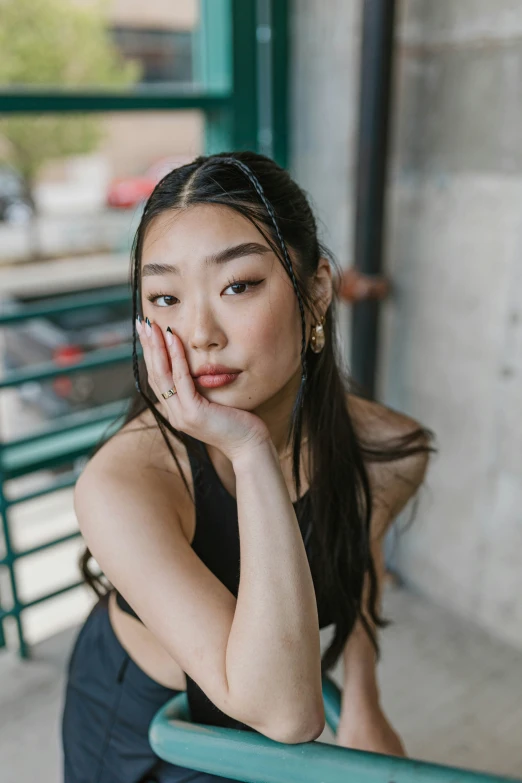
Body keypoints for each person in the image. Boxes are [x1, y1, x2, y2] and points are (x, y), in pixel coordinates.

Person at [61, 150, 435, 782]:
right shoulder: (124, 483)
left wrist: (365, 701)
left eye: (237, 285)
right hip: (146, 728)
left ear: (315, 291)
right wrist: (250, 449)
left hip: (266, 689)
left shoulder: (387, 453)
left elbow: (358, 553)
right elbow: (287, 715)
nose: (200, 331)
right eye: (166, 297)